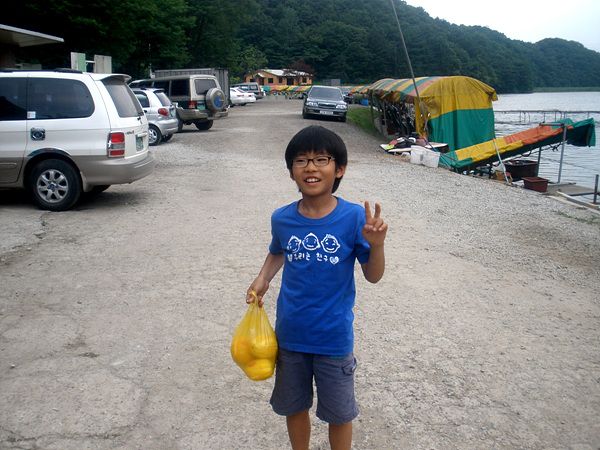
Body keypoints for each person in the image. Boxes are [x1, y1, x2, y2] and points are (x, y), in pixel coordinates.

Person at [246, 125, 387, 450]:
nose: (311, 167)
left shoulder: (354, 217)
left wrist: (377, 246)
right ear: (291, 172)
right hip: (290, 335)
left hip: (333, 338)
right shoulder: (282, 218)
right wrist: (263, 278)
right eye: (301, 160)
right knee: (294, 407)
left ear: (339, 169)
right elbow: (278, 251)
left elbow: (373, 276)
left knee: (339, 414)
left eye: (321, 159)